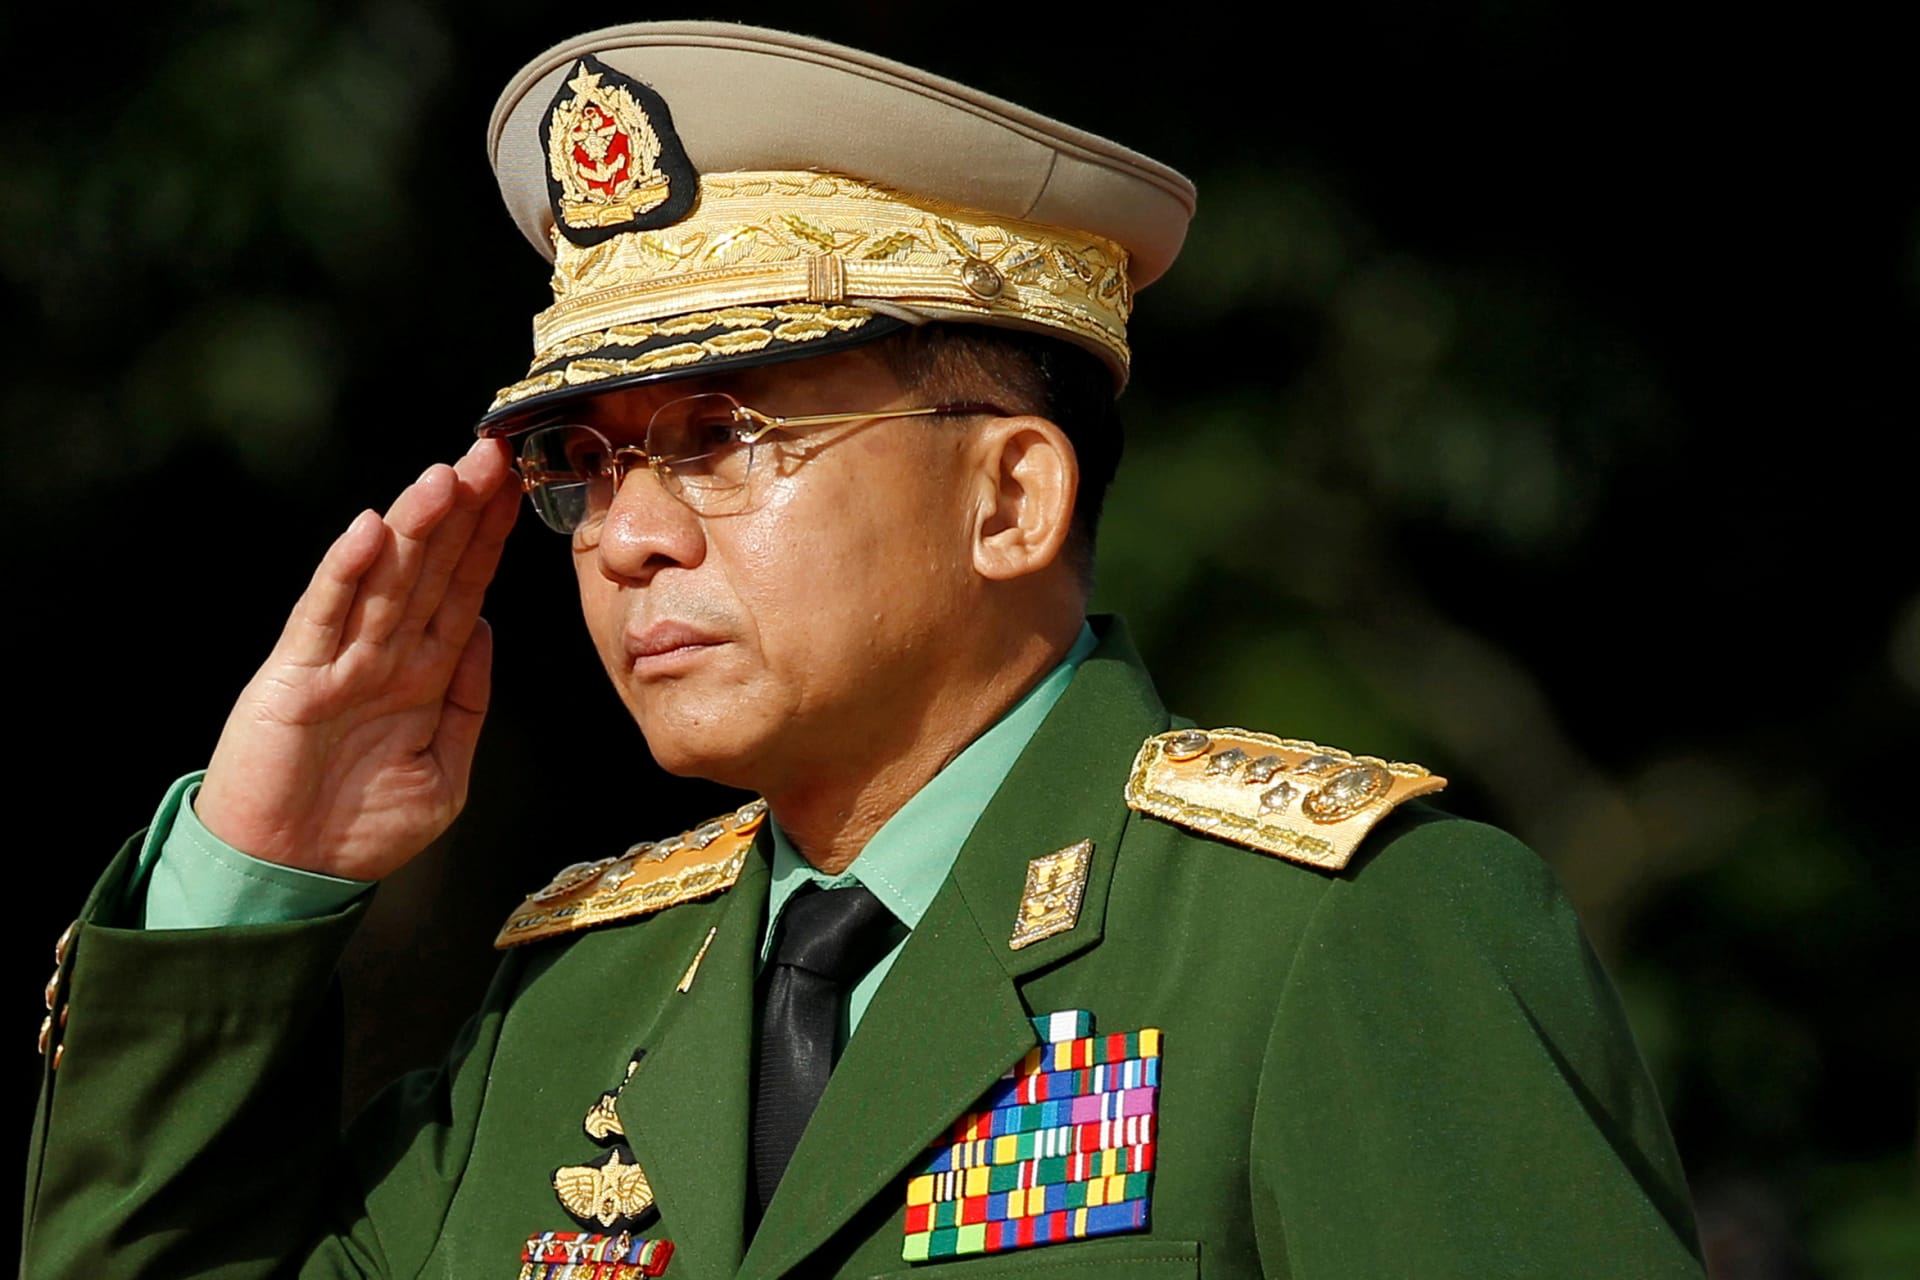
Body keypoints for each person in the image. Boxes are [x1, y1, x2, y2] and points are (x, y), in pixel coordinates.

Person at [22, 20, 1704, 1280]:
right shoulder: (576, 1002)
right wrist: (252, 878)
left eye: (724, 435)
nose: (627, 536)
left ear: (1012, 495)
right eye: (590, 466)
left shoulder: (1332, 934)